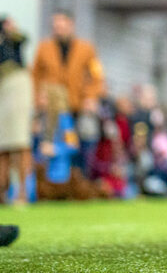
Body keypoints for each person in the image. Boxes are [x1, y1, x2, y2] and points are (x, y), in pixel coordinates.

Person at [31, 10, 106, 146]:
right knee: (49, 145)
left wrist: (91, 97)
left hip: (77, 105)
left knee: (75, 144)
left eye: (62, 27)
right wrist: (38, 98)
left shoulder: (86, 49)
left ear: (71, 25)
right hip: (51, 106)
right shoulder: (44, 47)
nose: (58, 30)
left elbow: (96, 76)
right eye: (55, 27)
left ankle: (74, 166)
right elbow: (35, 76)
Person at [0, 16, 33, 205]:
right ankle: (2, 192)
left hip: (17, 88)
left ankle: (22, 192)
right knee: (3, 146)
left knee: (20, 143)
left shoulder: (15, 40)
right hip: (2, 90)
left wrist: (9, 31)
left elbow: (23, 38)